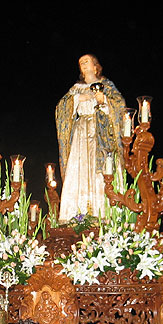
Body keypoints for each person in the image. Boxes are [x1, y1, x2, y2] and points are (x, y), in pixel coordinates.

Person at [55, 53, 125, 222]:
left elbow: (120, 105)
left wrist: (104, 101)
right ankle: (75, 215)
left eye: (87, 62)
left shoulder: (106, 85)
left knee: (100, 172)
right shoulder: (75, 89)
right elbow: (61, 109)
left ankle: (103, 214)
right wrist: (79, 98)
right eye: (81, 63)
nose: (84, 65)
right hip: (80, 134)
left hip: (100, 133)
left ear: (95, 67)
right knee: (78, 169)